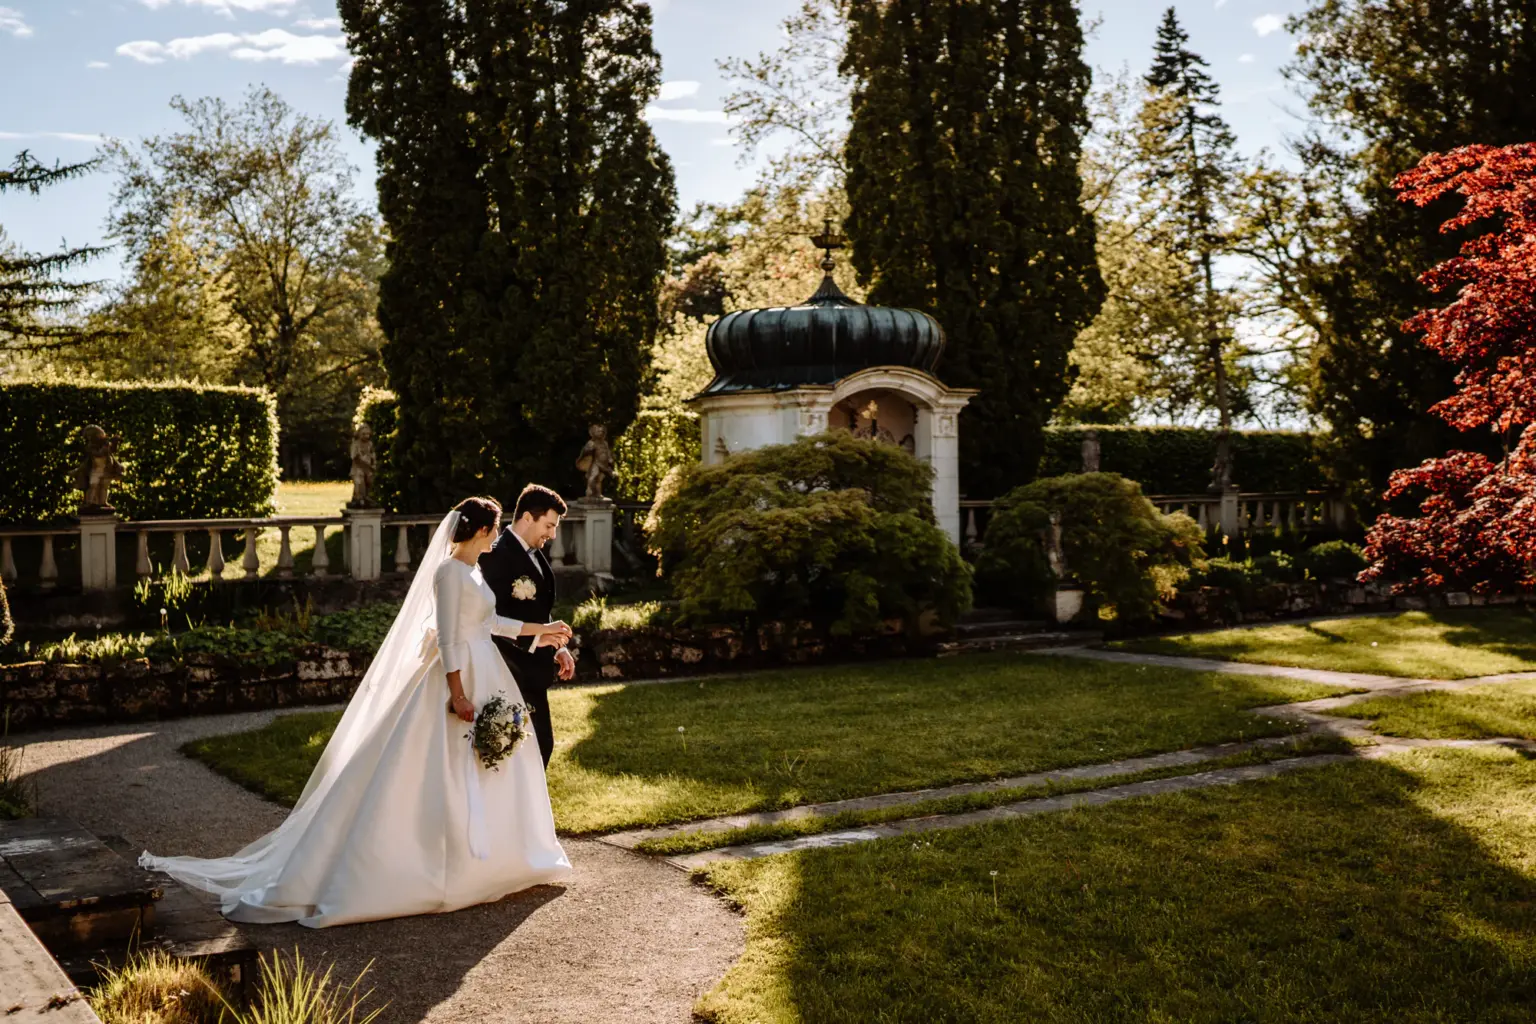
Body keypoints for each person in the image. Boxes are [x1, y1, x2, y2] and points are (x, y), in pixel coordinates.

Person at [138, 497, 573, 928]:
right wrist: (458, 694)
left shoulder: (475, 572)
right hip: (458, 679)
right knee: (438, 770)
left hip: (487, 671)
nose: (498, 536)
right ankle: (432, 866)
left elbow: (492, 623)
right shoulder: (447, 574)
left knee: (488, 765)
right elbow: (448, 640)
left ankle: (495, 858)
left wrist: (543, 629)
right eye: (495, 528)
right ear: (481, 529)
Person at [479, 484, 574, 767]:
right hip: (509, 669)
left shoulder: (534, 552)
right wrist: (534, 641)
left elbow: (537, 611)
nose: (552, 534)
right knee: (527, 752)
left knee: (540, 748)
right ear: (527, 518)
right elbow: (490, 617)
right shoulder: (494, 555)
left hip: (534, 671)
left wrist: (556, 647)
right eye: (548, 525)